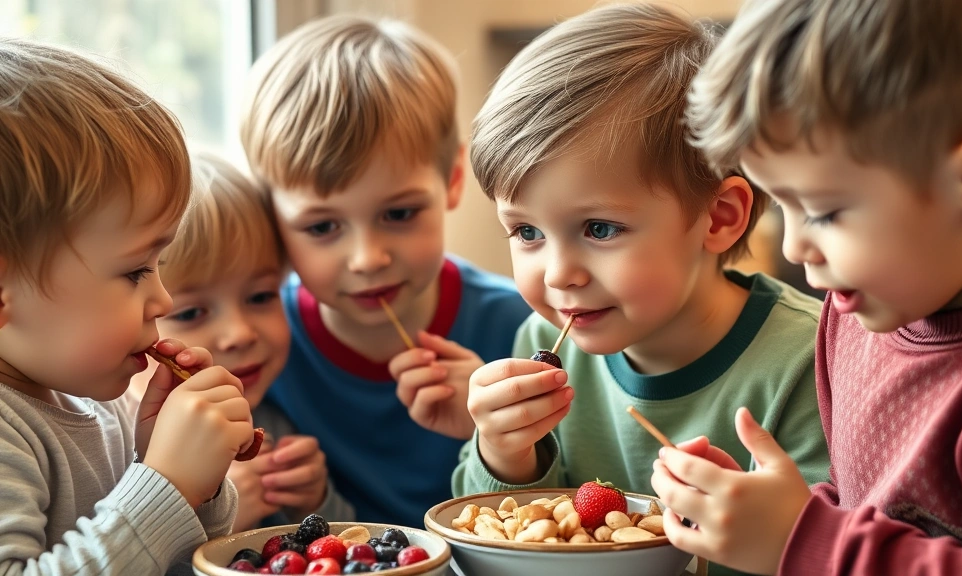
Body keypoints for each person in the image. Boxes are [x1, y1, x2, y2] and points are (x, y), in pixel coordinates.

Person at [651, 0, 962, 574]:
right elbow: (869, 509)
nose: (795, 247)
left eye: (823, 211)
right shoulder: (854, 315)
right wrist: (773, 512)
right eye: (782, 203)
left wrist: (805, 540)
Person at [452, 6, 829, 574]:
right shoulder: (543, 339)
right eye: (527, 231)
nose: (558, 274)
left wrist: (761, 527)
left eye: (600, 229)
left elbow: (831, 547)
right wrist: (503, 454)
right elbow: (489, 530)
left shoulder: (809, 361)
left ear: (718, 217)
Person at [238, 15, 532, 527]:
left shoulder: (521, 328)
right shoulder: (260, 341)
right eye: (323, 226)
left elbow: (559, 514)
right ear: (272, 219)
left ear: (454, 180)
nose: (367, 258)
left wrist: (496, 435)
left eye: (398, 214)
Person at [0, 39, 251, 574]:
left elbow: (171, 564)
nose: (162, 297)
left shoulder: (100, 401)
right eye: (135, 270)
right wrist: (165, 484)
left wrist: (192, 481)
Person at [129, 152, 354, 533]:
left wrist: (313, 505)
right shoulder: (108, 443)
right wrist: (219, 518)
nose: (241, 333)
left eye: (261, 296)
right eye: (190, 313)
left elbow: (355, 550)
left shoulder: (268, 425)